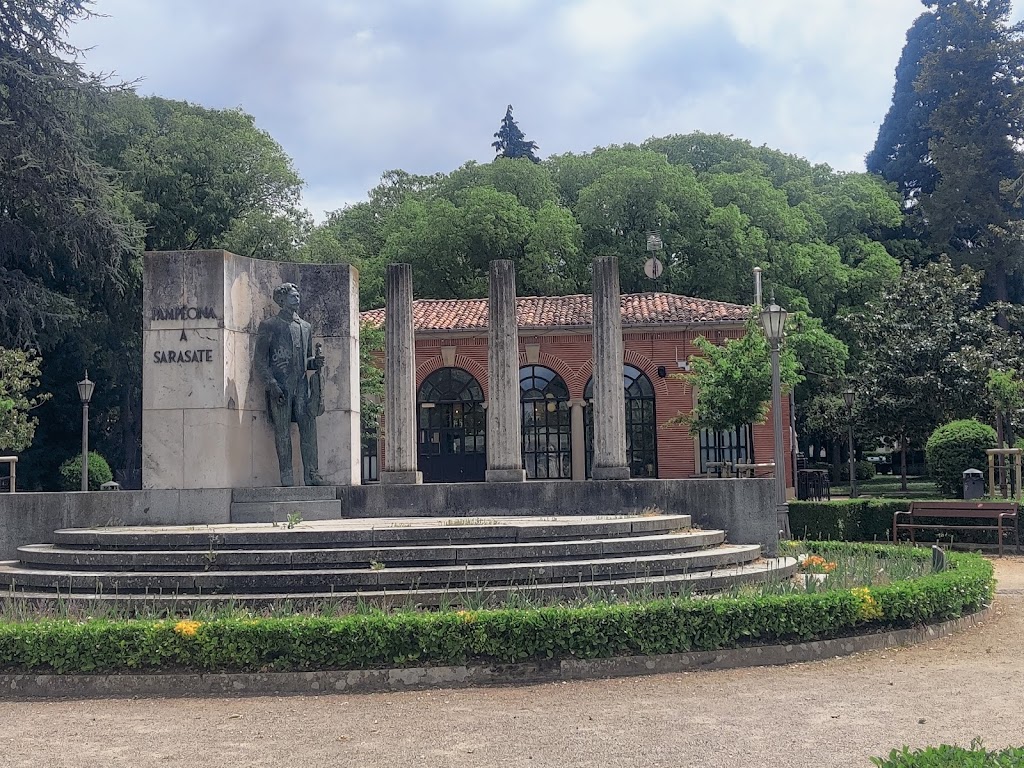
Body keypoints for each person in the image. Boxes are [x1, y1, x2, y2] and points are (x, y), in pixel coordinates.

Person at [254, 283, 326, 486]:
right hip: (281, 388)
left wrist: (315, 362)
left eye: (298, 296)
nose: (297, 299)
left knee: (309, 429)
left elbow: (306, 360)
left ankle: (312, 474)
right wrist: (272, 384)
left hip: (302, 387)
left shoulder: (305, 327)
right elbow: (259, 360)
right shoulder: (270, 325)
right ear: (282, 300)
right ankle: (286, 476)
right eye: (293, 296)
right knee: (282, 432)